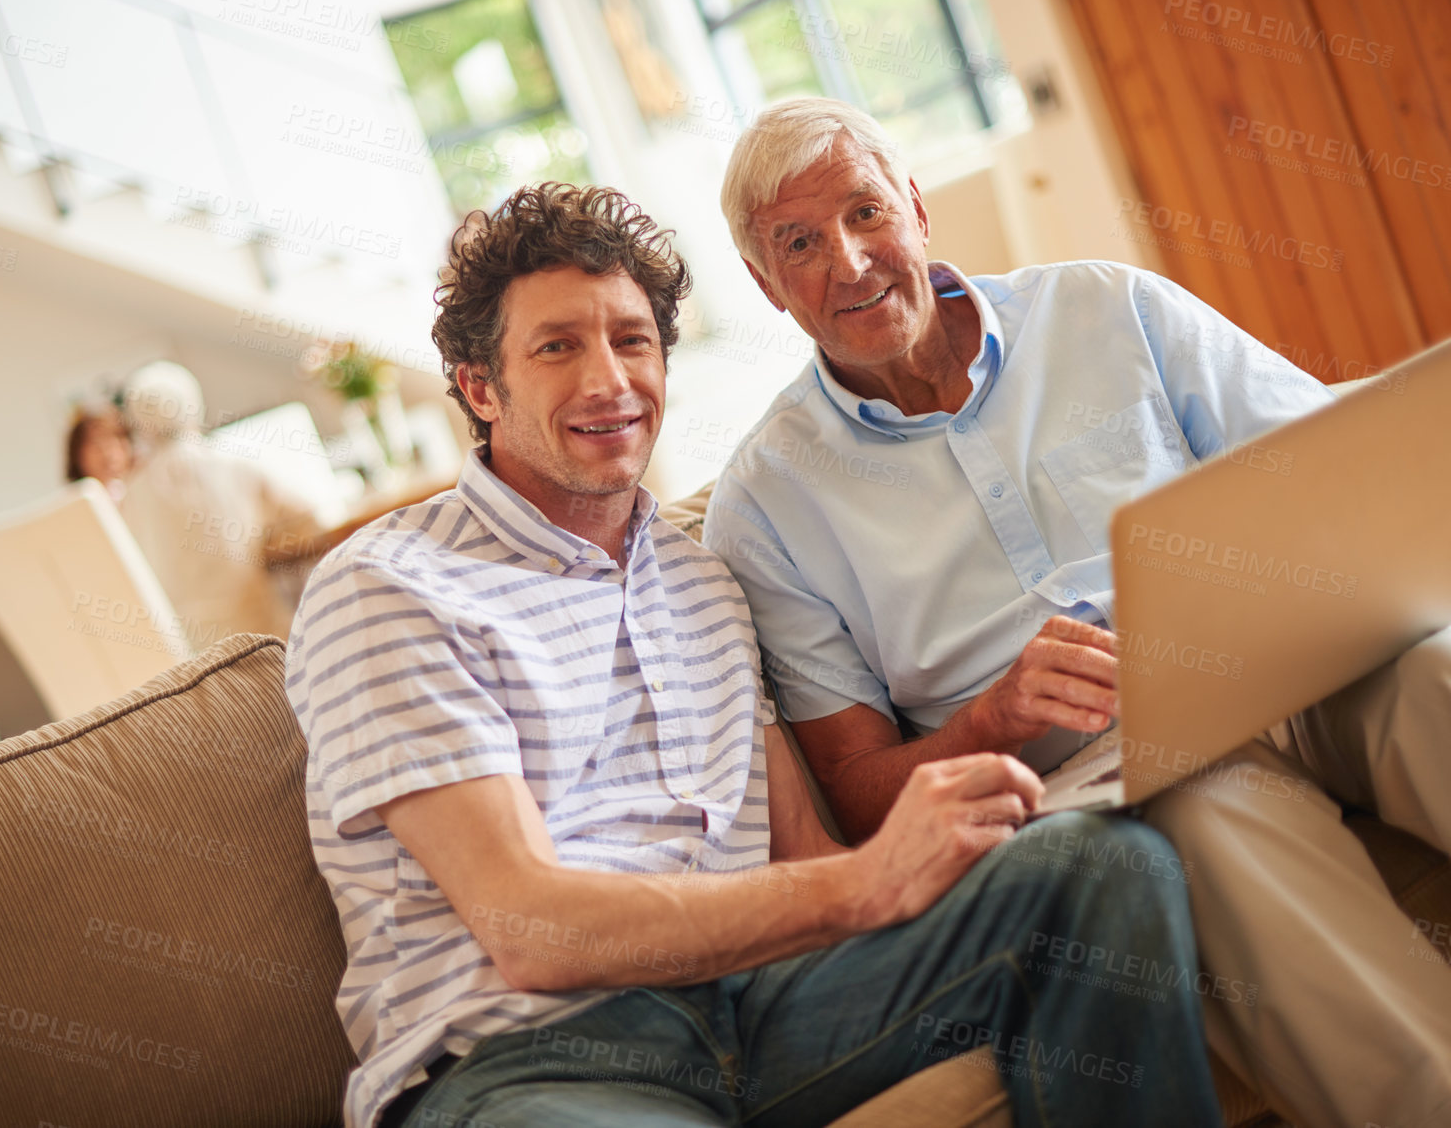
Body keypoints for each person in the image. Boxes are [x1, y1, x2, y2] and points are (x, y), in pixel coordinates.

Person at [283, 183, 1222, 1128]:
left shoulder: (701, 578)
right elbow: (532, 929)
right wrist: (865, 880)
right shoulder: (389, 588)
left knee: (1099, 865)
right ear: (481, 386)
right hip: (531, 1065)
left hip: (767, 1006)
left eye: (632, 339)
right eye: (558, 345)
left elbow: (803, 853)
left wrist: (949, 824)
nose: (609, 380)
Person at [703, 96, 1451, 1128]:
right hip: (1099, 772)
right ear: (763, 281)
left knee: (1442, 675)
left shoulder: (1107, 308)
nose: (848, 261)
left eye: (866, 213)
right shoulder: (766, 505)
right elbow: (858, 791)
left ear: (916, 209)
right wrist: (992, 721)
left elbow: (1334, 465)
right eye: (799, 243)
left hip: (1291, 658)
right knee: (1209, 820)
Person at [118, 361, 321, 650]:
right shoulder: (232, 466)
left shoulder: (131, 496)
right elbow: (309, 516)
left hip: (196, 654)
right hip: (265, 637)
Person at [64, 406, 133, 502]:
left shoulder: (136, 491)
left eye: (111, 441)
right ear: (78, 455)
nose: (106, 452)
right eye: (96, 443)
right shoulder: (74, 502)